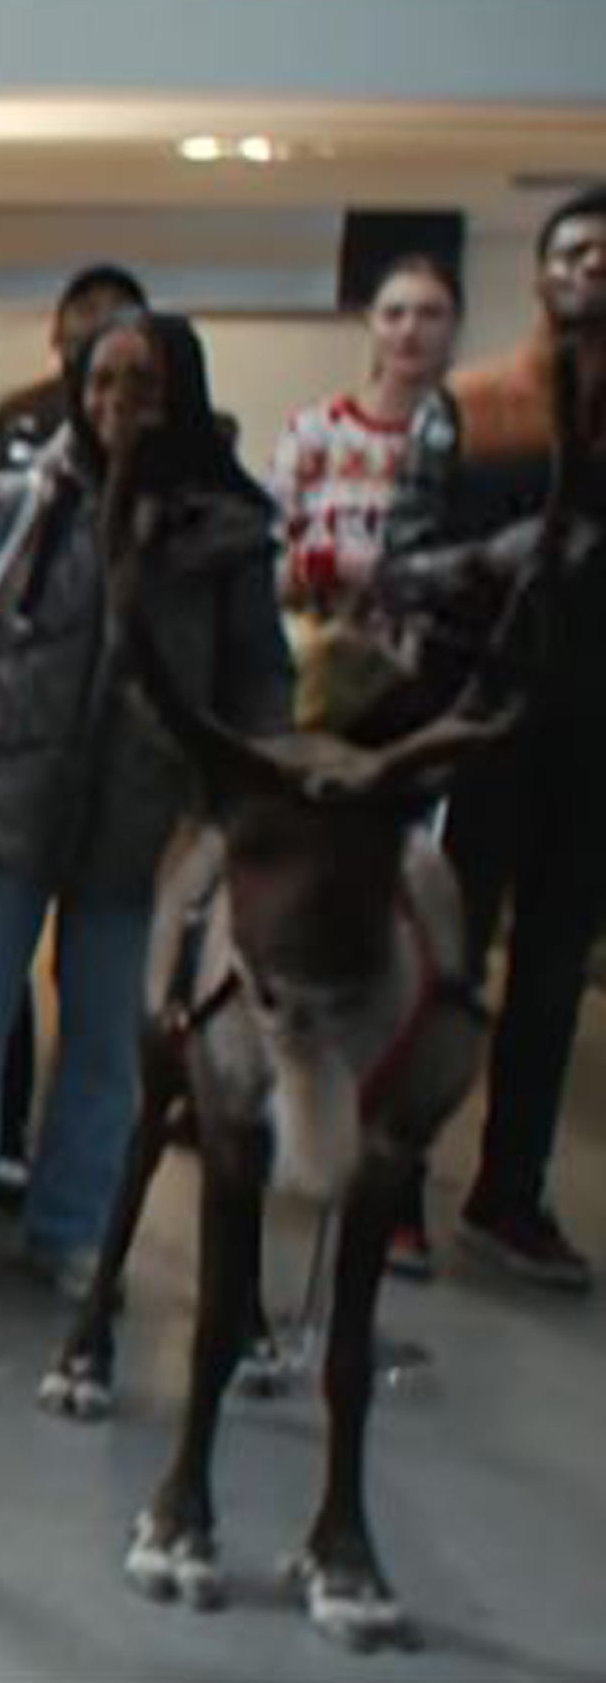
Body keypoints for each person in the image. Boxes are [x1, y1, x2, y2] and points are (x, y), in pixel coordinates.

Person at [0, 311, 292, 1295]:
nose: (115, 407)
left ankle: (70, 1229)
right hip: (1, 800)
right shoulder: (22, 501)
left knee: (107, 1043)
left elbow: (259, 684)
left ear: (178, 393)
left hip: (143, 822)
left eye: (139, 386)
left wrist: (241, 800)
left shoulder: (222, 532)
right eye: (100, 383)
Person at [423, 188, 606, 1291]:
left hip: (591, 746)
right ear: (540, 273)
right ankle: (391, 1184)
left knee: (547, 982)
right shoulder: (477, 402)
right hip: (484, 724)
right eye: (573, 250)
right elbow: (418, 553)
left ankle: (509, 1192)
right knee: (444, 961)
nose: (590, 269)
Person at [270, 255, 464, 638]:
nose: (410, 330)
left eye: (430, 314)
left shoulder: (474, 434)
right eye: (393, 314)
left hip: (441, 656)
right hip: (324, 658)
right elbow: (266, 566)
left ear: (455, 325)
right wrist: (333, 564)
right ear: (370, 324)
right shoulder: (313, 433)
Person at [0, 262, 150, 468]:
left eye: (120, 310)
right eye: (87, 310)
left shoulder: (157, 410)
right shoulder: (19, 413)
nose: (104, 321)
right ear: (57, 334)